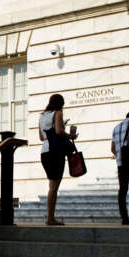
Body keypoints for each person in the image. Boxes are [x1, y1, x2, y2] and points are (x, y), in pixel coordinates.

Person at [39, 94, 77, 226]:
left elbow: (41, 136)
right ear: (61, 103)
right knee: (54, 187)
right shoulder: (58, 113)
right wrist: (71, 135)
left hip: (44, 151)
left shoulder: (42, 116)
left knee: (52, 186)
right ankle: (50, 218)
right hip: (55, 152)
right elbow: (59, 132)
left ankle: (50, 217)